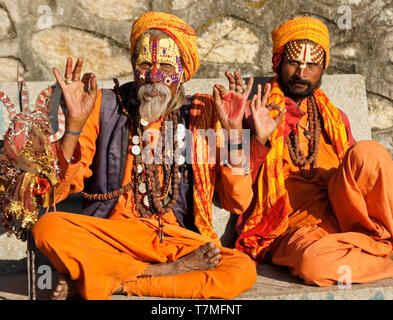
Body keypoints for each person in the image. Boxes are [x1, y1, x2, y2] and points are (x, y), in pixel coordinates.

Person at [32, 11, 260, 300]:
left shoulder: (203, 113)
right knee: (48, 227)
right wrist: (74, 126)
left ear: (182, 71)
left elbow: (238, 202)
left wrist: (233, 135)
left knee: (241, 269)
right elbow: (54, 193)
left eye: (165, 66)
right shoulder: (102, 105)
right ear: (133, 66)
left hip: (175, 239)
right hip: (112, 237)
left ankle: (117, 282)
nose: (154, 76)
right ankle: (157, 273)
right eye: (145, 64)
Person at [235, 16, 393, 287]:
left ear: (322, 69)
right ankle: (378, 252)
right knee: (314, 264)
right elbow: (236, 192)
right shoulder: (258, 112)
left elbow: (360, 174)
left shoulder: (333, 117)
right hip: (293, 229)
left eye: (311, 65)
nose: (301, 73)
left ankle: (369, 245)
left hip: (342, 214)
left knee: (370, 153)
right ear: (279, 62)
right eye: (294, 62)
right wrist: (257, 139)